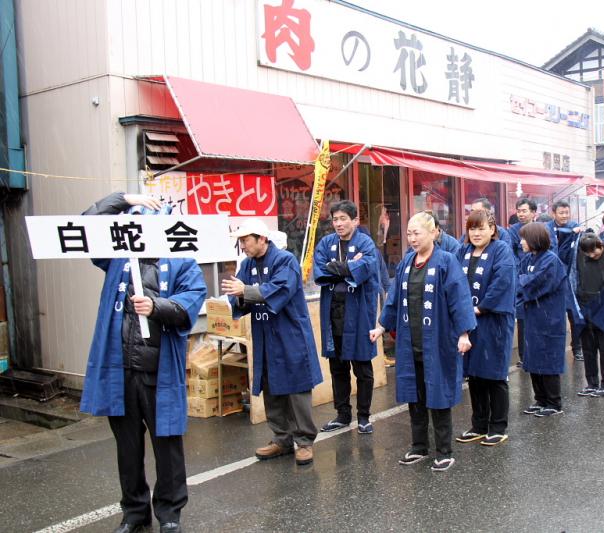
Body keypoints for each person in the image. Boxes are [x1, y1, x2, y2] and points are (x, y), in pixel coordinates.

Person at [80, 192, 207, 533]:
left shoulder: (181, 261)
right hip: (120, 370)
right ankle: (134, 511)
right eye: (134, 223)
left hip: (157, 372)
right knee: (128, 447)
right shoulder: (117, 258)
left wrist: (156, 306)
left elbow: (191, 301)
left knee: (167, 445)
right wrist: (123, 198)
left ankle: (169, 511)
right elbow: (87, 225)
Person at [370, 212, 476, 472]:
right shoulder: (407, 262)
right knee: (414, 397)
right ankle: (419, 446)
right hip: (410, 344)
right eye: (409, 233)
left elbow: (459, 299)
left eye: (417, 233)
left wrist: (464, 333)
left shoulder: (446, 261)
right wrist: (382, 326)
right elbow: (394, 299)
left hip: (437, 343)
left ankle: (444, 451)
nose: (412, 238)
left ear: (433, 233)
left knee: (437, 396)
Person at [223, 219, 323, 466]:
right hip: (265, 334)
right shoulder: (247, 264)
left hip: (290, 334)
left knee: (297, 389)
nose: (243, 245)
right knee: (271, 386)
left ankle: (304, 441)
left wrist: (245, 291)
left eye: (246, 240)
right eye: (240, 241)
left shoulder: (285, 260)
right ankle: (282, 438)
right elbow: (237, 296)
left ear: (262, 239)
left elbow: (280, 290)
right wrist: (239, 295)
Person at [313, 201, 380, 434]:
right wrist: (349, 266)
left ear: (355, 221)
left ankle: (364, 416)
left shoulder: (365, 243)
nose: (339, 224)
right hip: (333, 312)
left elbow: (366, 267)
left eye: (343, 219)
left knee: (362, 366)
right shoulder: (326, 243)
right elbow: (320, 270)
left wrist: (337, 267)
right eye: (335, 219)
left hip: (358, 313)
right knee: (337, 366)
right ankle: (342, 414)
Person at [454, 211, 516, 446]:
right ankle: (479, 425)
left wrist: (480, 308)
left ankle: (498, 426)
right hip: (469, 321)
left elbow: (502, 283)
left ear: (492, 229)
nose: (476, 233)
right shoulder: (462, 251)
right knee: (475, 374)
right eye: (472, 228)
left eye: (481, 228)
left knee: (494, 374)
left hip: (493, 320)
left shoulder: (501, 250)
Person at [517, 222, 571, 416]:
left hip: (549, 318)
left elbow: (534, 283)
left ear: (534, 239)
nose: (521, 242)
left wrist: (523, 281)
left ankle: (554, 403)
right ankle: (540, 399)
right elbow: (519, 279)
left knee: (548, 359)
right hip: (533, 316)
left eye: (524, 239)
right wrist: (523, 281)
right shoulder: (528, 258)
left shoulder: (551, 260)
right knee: (533, 358)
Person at [571, 233, 604, 397]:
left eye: (594, 251)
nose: (591, 255)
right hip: (584, 304)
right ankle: (592, 383)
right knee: (588, 347)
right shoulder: (579, 255)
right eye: (588, 253)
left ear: (600, 245)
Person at [545, 200, 585, 361]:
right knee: (554, 316)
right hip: (553, 277)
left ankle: (577, 347)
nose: (564, 216)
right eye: (561, 213)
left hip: (571, 277)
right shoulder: (547, 228)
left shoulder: (575, 226)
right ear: (553, 213)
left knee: (574, 314)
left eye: (566, 212)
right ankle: (555, 348)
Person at [507, 197, 537, 366]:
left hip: (538, 276)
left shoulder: (542, 229)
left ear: (533, 212)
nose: (521, 214)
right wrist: (521, 272)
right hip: (520, 278)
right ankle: (524, 356)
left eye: (524, 211)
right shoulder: (513, 230)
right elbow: (511, 253)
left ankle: (537, 353)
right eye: (518, 211)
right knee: (523, 318)